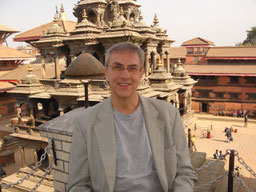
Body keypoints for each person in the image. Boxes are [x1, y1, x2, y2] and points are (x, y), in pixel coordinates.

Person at [67, 42, 197, 191]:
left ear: (141, 74)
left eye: (132, 68)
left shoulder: (169, 115)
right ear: (106, 73)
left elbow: (185, 173)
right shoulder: (85, 122)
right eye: (117, 67)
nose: (125, 75)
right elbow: (78, 184)